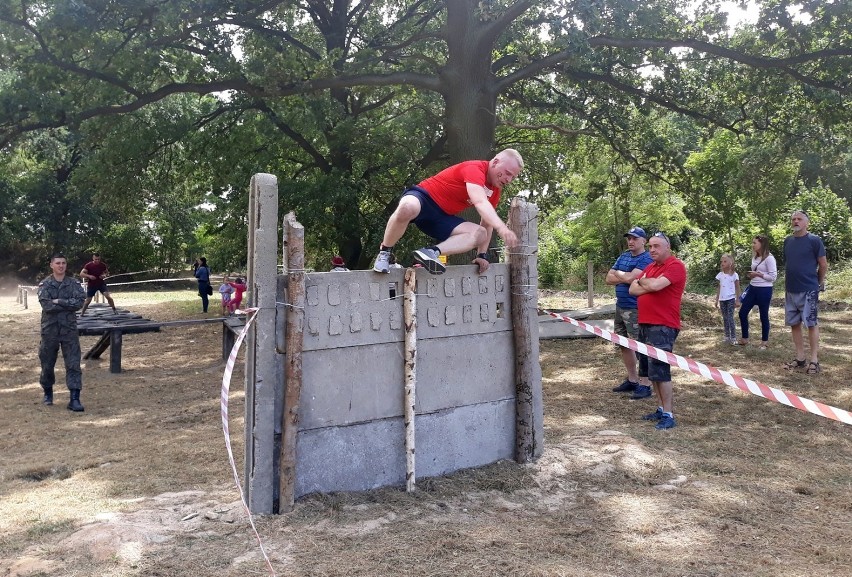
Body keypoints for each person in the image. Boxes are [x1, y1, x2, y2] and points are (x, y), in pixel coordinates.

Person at [372, 149, 524, 275]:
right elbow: (479, 202)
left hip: (441, 218)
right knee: (407, 207)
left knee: (481, 233)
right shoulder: (475, 168)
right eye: (507, 173)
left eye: (513, 177)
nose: (509, 179)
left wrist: (482, 255)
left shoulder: (495, 192)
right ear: (496, 162)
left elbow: (487, 223)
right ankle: (385, 253)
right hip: (423, 198)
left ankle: (432, 252)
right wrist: (503, 228)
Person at [629, 232, 687, 430]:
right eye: (651, 246)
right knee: (649, 371)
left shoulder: (675, 266)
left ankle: (669, 414)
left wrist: (646, 283)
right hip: (645, 323)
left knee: (661, 371)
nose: (652, 250)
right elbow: (632, 290)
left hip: (663, 325)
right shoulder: (650, 267)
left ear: (667, 248)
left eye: (657, 246)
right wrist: (649, 285)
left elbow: (652, 284)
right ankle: (661, 408)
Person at [604, 226, 653, 398]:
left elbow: (633, 278)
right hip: (621, 306)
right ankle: (632, 380)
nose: (631, 241)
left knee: (640, 346)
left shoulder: (646, 258)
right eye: (629, 238)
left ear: (643, 241)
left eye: (634, 238)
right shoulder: (624, 256)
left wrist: (620, 275)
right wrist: (623, 276)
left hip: (636, 308)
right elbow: (608, 278)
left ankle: (645, 383)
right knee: (624, 345)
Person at [37, 253, 86, 411]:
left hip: (69, 331)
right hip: (49, 331)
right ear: (51, 265)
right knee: (47, 364)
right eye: (58, 263)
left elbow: (79, 302)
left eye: (64, 263)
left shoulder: (73, 283)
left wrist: (59, 301)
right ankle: (48, 393)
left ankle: (74, 399)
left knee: (73, 364)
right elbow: (47, 306)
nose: (61, 265)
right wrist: (67, 304)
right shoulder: (45, 285)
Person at [782, 210, 828, 374]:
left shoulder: (814, 240)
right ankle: (800, 358)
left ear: (806, 222)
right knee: (794, 324)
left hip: (809, 289)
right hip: (790, 290)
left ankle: (814, 360)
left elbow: (823, 264)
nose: (795, 221)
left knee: (811, 324)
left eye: (799, 219)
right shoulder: (787, 241)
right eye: (793, 219)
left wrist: (818, 282)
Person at [738, 235, 777, 349]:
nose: (753, 245)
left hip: (764, 290)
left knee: (763, 315)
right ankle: (745, 338)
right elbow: (755, 272)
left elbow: (773, 277)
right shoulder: (755, 257)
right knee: (742, 313)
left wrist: (758, 274)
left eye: (755, 243)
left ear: (762, 244)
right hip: (752, 288)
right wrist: (751, 276)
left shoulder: (769, 258)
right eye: (753, 243)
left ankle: (764, 342)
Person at [714, 254, 740, 345]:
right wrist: (716, 299)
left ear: (730, 263)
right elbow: (719, 288)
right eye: (721, 261)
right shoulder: (720, 275)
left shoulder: (734, 275)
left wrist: (738, 300)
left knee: (730, 318)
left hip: (731, 299)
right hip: (722, 299)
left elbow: (737, 288)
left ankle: (733, 337)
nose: (722, 263)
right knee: (725, 318)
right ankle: (726, 336)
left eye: (725, 261)